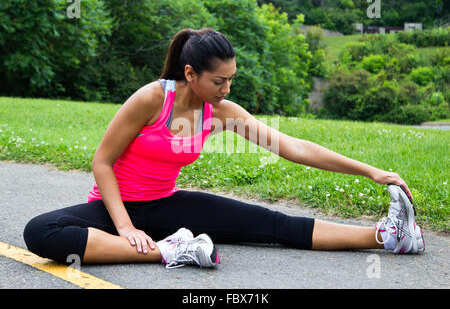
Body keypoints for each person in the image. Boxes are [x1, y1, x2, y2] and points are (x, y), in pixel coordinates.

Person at [23, 28, 425, 270]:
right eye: (219, 80)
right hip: (115, 210)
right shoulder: (150, 100)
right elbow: (102, 162)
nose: (227, 88)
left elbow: (293, 147)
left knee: (274, 225)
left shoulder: (219, 111)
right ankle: (172, 250)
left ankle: (389, 237)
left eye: (231, 79)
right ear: (189, 73)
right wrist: (127, 228)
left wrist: (371, 170)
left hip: (168, 205)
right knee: (41, 232)